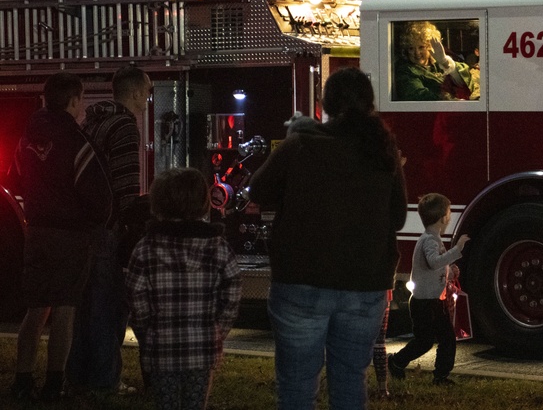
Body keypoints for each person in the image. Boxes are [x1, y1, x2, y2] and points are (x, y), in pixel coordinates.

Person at [249, 67, 408, 409]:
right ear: (370, 104)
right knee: (351, 382)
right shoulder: (383, 153)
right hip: (364, 285)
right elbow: (396, 218)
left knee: (296, 387)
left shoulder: (301, 144)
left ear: (326, 104)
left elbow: (258, 189)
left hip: (301, 280)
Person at [7, 72, 113, 402]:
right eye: (80, 100)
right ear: (73, 100)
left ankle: (22, 381)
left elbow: (15, 180)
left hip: (36, 231)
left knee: (36, 308)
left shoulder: (27, 138)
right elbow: (99, 195)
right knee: (65, 309)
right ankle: (54, 384)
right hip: (70, 236)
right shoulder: (75, 140)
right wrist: (97, 224)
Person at [124, 167, 242, 410]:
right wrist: (217, 331)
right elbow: (232, 295)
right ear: (203, 202)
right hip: (202, 347)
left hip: (161, 348)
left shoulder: (145, 249)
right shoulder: (218, 248)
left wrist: (148, 332)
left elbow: (137, 300)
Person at [66, 65, 151, 396]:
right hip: (110, 227)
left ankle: (77, 377)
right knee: (109, 306)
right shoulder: (126, 126)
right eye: (145, 91)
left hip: (87, 225)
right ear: (132, 93)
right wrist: (130, 223)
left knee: (86, 307)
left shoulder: (92, 120)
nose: (147, 99)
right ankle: (105, 381)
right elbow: (126, 183)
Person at [387, 193, 470, 386]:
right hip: (428, 302)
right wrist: (457, 250)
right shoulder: (429, 241)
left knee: (432, 340)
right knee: (442, 339)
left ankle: (400, 362)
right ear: (443, 218)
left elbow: (433, 268)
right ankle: (435, 374)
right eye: (449, 213)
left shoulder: (431, 239)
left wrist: (449, 273)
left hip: (428, 300)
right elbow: (433, 262)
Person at [394, 21, 475, 101]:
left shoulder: (438, 64)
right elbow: (418, 95)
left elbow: (467, 83)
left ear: (430, 46)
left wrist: (445, 62)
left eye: (421, 47)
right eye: (411, 48)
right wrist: (451, 100)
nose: (417, 53)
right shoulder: (406, 70)